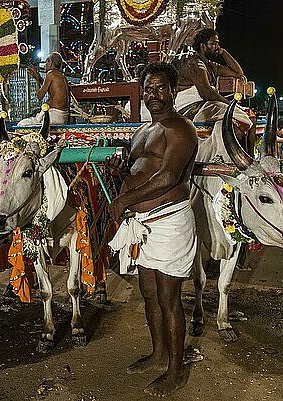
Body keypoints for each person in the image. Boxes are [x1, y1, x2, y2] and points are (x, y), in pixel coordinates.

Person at [107, 63, 198, 397]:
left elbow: (169, 176)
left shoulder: (181, 129)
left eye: (161, 88)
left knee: (168, 298)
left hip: (170, 223)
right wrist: (117, 165)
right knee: (148, 293)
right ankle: (159, 355)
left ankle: (175, 371)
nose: (153, 95)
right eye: (148, 88)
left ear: (173, 91)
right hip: (143, 226)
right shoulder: (143, 131)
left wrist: (124, 200)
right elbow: (136, 169)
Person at [173, 28, 253, 147]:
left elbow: (238, 73)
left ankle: (249, 159)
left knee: (249, 114)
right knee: (238, 116)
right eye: (214, 43)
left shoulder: (210, 66)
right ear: (203, 46)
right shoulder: (194, 63)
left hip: (205, 105)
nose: (217, 46)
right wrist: (231, 105)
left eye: (218, 43)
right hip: (188, 107)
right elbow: (206, 92)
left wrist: (223, 52)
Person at [18, 52, 69, 126]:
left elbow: (39, 96)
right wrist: (38, 77)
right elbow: (48, 87)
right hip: (63, 116)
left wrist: (37, 79)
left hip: (54, 117)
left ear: (50, 62)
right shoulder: (62, 76)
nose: (45, 65)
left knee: (22, 124)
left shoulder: (50, 74)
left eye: (46, 62)